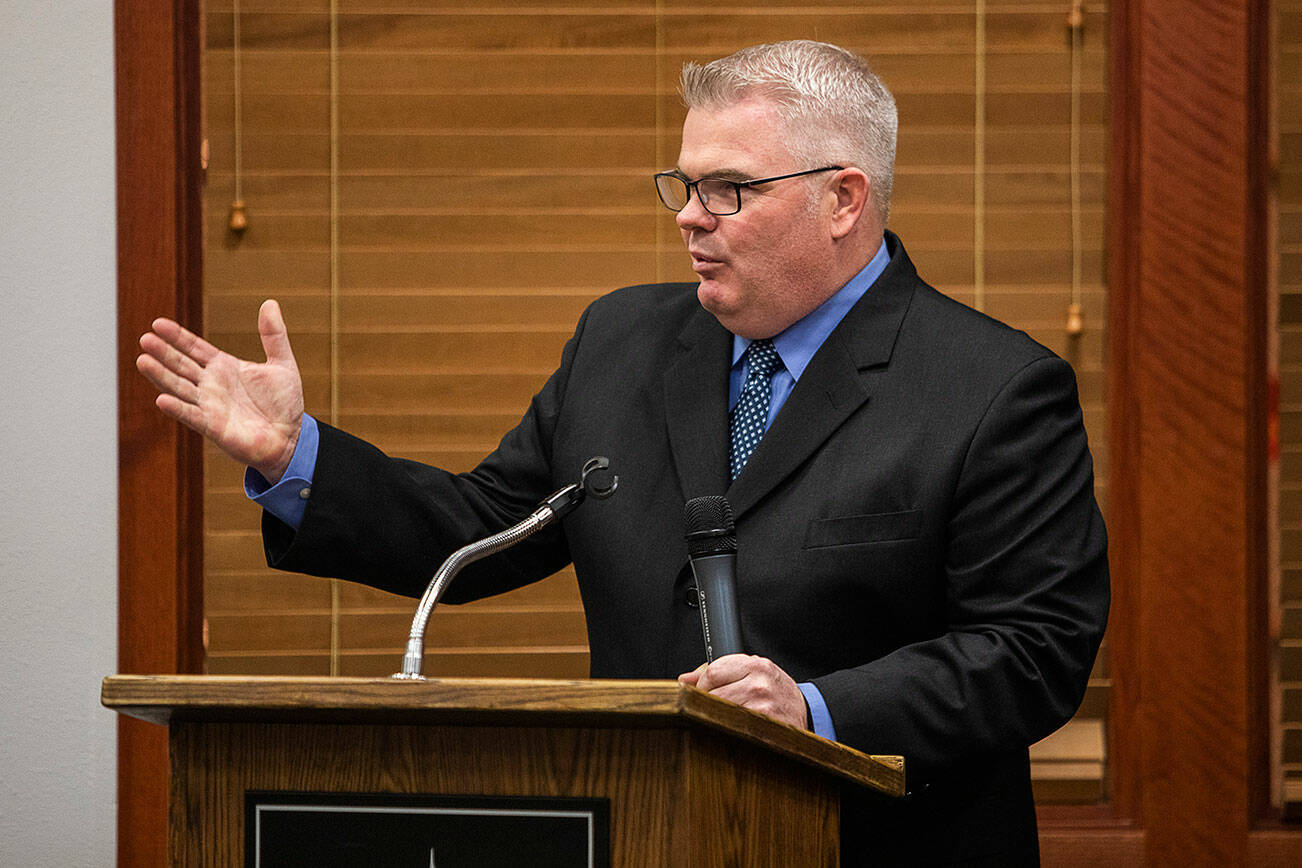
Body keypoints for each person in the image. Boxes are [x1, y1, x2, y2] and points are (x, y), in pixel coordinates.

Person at [137, 40, 1108, 866]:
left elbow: (1031, 651)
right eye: (685, 185)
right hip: (638, 833)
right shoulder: (622, 342)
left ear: (844, 198)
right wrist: (293, 453)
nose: (688, 215)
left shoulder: (992, 387)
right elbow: (485, 527)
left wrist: (814, 706)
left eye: (728, 189)